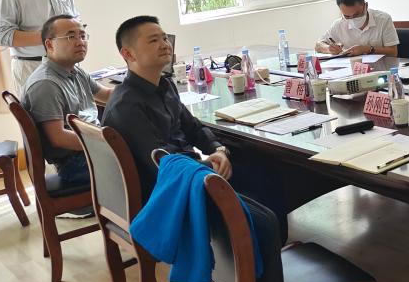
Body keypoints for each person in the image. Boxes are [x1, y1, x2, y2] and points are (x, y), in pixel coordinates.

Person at [102, 16, 288, 239]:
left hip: (190, 174)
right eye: (153, 40)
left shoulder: (164, 84)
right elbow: (161, 163)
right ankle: (254, 254)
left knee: (267, 171)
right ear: (128, 54)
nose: (164, 45)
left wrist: (218, 150)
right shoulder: (127, 106)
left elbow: (193, 127)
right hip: (172, 193)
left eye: (164, 38)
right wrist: (208, 164)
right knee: (264, 217)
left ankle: (270, 252)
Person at [21, 15, 113, 191]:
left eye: (83, 35)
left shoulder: (74, 70)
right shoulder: (46, 84)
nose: (80, 42)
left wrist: (137, 82)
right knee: (144, 158)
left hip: (89, 149)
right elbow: (59, 138)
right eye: (71, 36)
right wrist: (108, 143)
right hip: (76, 163)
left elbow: (106, 95)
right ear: (49, 45)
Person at [315, 0, 399, 57]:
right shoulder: (339, 24)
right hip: (350, 69)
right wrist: (329, 49)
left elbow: (393, 52)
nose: (353, 19)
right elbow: (318, 45)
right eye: (347, 16)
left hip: (380, 68)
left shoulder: (383, 19)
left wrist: (368, 49)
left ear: (366, 6)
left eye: (357, 14)